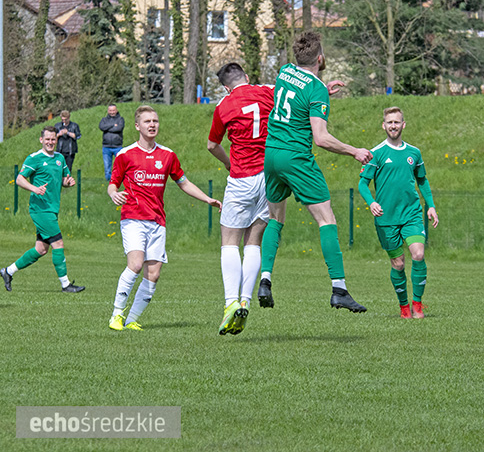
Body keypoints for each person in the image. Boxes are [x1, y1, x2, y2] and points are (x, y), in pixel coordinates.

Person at [260, 31, 372, 313]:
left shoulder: (285, 72)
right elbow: (321, 138)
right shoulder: (316, 89)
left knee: (275, 217)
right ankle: (339, 289)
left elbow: (299, 92)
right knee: (326, 219)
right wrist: (354, 151)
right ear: (320, 58)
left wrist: (321, 89)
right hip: (295, 157)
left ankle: (265, 280)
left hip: (271, 153)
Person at [107, 106, 221, 331]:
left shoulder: (167, 155)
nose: (152, 125)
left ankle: (131, 320)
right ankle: (116, 315)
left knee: (154, 273)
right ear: (137, 126)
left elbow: (184, 183)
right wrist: (113, 194)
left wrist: (207, 199)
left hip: (157, 220)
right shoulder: (125, 155)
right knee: (136, 264)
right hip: (133, 218)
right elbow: (113, 183)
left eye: (155, 121)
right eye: (147, 121)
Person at [207, 62, 275, 336]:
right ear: (247, 77)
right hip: (269, 177)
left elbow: (212, 145)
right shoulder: (268, 92)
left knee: (229, 242)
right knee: (254, 242)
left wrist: (227, 163)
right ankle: (245, 300)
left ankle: (230, 303)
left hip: (242, 177)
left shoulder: (224, 106)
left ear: (226, 86)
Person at [358, 107, 439, 319]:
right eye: (389, 122)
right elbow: (363, 184)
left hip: (411, 214)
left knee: (418, 255)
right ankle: (404, 307)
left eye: (397, 122)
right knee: (398, 263)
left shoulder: (414, 153)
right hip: (386, 218)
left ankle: (418, 304)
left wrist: (430, 205)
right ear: (383, 126)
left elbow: (422, 180)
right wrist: (371, 202)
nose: (393, 126)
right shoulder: (376, 153)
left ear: (403, 125)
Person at [0, 126, 85, 293]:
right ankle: (66, 284)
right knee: (58, 243)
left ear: (57, 140)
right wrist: (34, 189)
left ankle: (8, 272)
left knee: (41, 249)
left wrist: (68, 183)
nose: (50, 142)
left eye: (53, 139)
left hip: (52, 208)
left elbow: (63, 180)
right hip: (40, 210)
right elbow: (19, 179)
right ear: (41, 140)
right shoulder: (35, 158)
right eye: (47, 139)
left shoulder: (60, 158)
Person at [100, 104, 125, 181]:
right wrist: (112, 125)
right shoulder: (104, 120)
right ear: (108, 111)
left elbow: (118, 128)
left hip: (117, 146)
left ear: (116, 110)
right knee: (107, 166)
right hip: (106, 146)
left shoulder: (120, 119)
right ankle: (109, 181)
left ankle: (119, 179)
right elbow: (101, 127)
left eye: (113, 110)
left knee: (119, 165)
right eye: (110, 110)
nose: (112, 112)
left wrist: (108, 127)